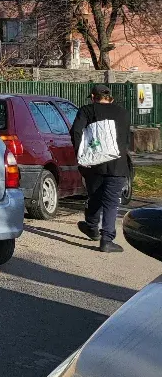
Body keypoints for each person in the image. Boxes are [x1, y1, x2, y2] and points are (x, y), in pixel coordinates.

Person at [70, 84, 132, 253]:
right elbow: (126, 139)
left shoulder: (87, 110)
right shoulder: (123, 113)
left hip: (94, 164)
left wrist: (80, 153)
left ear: (92, 97)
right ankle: (106, 239)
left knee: (95, 196)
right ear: (110, 97)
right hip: (117, 165)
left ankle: (91, 226)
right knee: (111, 203)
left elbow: (76, 132)